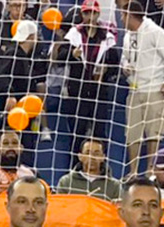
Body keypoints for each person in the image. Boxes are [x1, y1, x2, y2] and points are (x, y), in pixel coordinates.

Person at [120, 0, 164, 176]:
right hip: (134, 89)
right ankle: (133, 171)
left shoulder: (155, 32)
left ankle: (150, 170)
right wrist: (125, 65)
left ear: (130, 15)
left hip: (155, 89)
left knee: (153, 133)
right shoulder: (127, 36)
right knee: (132, 133)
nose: (121, 19)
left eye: (123, 15)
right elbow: (125, 57)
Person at [61, 0, 118, 144]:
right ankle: (75, 164)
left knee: (100, 132)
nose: (90, 17)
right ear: (82, 14)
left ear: (98, 14)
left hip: (99, 90)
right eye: (87, 13)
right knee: (77, 132)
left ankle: (102, 164)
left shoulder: (107, 36)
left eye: (93, 13)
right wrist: (72, 54)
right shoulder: (74, 33)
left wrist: (106, 69)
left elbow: (115, 64)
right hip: (77, 90)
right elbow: (61, 57)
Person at [55, 136, 121, 200]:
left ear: (103, 157)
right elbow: (59, 207)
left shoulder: (114, 185)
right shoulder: (66, 182)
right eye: (87, 153)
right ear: (80, 156)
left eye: (96, 153)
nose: (92, 157)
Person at [0, 129, 36, 193]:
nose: (10, 146)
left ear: (21, 148)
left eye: (14, 143)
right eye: (5, 143)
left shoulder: (31, 173)